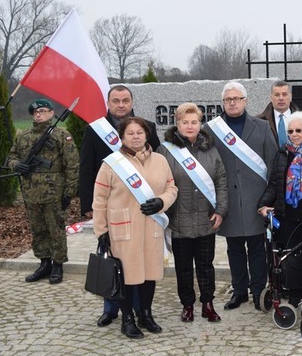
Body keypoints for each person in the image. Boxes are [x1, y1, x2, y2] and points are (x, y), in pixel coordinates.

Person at [79, 85, 161, 327]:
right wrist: (88, 206)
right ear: (108, 102)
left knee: (139, 260)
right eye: (116, 100)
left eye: (125, 100)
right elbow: (87, 168)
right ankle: (110, 309)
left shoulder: (147, 127)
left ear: (132, 101)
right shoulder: (96, 130)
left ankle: (140, 309)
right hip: (112, 208)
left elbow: (156, 160)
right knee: (113, 260)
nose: (121, 105)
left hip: (143, 208)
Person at [92, 117, 177, 339]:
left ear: (147, 135)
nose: (136, 137)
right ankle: (127, 318)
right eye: (130, 133)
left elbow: (171, 187)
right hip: (123, 229)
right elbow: (99, 200)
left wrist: (162, 202)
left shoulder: (160, 160)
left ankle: (145, 314)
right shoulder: (111, 163)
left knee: (150, 274)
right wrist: (101, 231)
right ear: (122, 137)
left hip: (152, 227)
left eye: (140, 132)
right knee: (128, 276)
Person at [206, 82, 277, 311]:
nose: (233, 103)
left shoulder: (262, 127)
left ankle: (258, 291)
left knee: (257, 248)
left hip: (256, 200)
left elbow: (273, 164)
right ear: (223, 103)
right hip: (227, 199)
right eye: (228, 99)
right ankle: (239, 292)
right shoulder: (212, 129)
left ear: (246, 101)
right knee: (234, 248)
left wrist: (269, 199)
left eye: (237, 98)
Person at [157, 103, 228, 323]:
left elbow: (221, 182)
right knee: (183, 268)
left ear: (200, 123)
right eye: (185, 122)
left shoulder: (211, 149)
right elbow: (160, 183)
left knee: (206, 266)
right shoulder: (166, 151)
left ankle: (208, 303)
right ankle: (187, 305)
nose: (190, 126)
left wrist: (221, 210)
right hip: (178, 221)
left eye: (194, 122)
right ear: (177, 124)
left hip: (206, 220)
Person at [257, 111, 302, 307]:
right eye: (290, 131)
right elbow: (274, 184)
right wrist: (262, 205)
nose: (294, 134)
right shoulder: (282, 153)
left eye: (298, 130)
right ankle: (295, 294)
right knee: (291, 257)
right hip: (286, 213)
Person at [7, 99, 79, 285]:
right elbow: (11, 158)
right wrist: (18, 166)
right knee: (38, 230)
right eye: (35, 112)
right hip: (31, 192)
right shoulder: (23, 136)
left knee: (55, 230)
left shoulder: (62, 135)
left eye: (42, 111)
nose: (38, 114)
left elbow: (72, 165)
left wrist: (69, 192)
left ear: (51, 113)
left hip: (54, 193)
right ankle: (44, 263)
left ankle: (58, 265)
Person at [256, 80, 299, 148]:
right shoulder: (260, 121)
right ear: (271, 98)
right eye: (277, 95)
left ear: (290, 97)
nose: (281, 98)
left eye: (284, 94)